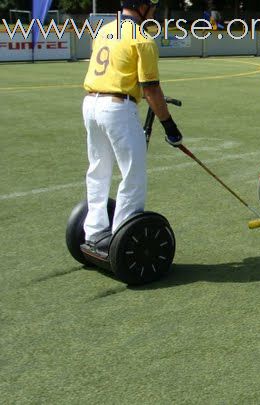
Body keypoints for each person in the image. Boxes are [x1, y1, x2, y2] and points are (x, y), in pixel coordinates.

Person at [82, 0, 183, 253]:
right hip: (118, 107)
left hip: (91, 104)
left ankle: (94, 231)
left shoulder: (105, 29)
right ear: (143, 7)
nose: (156, 11)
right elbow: (150, 88)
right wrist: (169, 126)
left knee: (98, 169)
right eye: (153, 7)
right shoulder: (142, 39)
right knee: (133, 174)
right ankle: (121, 236)